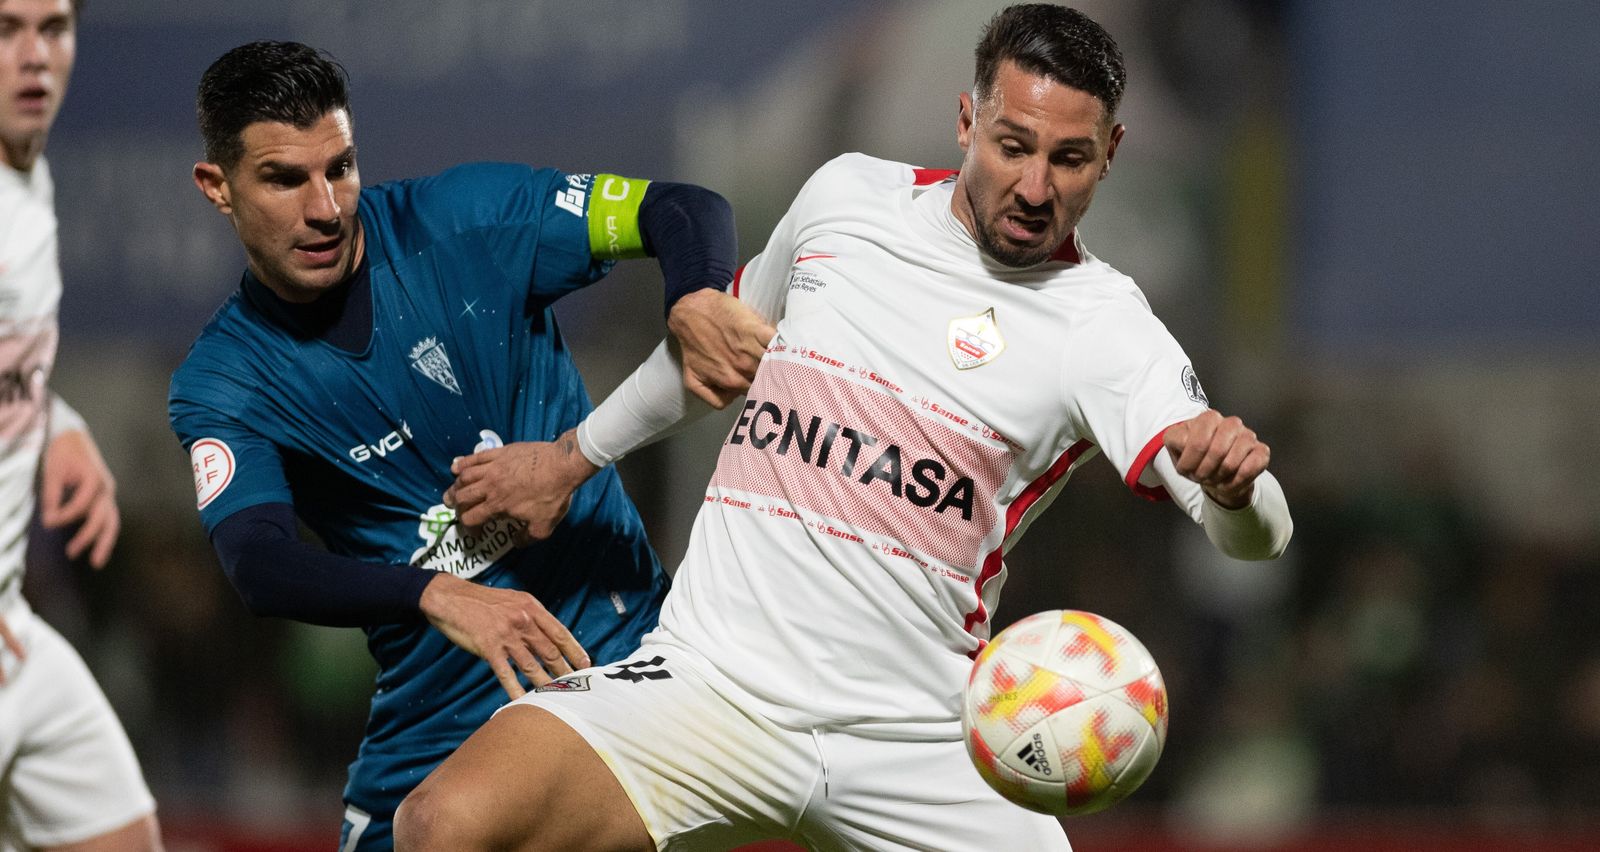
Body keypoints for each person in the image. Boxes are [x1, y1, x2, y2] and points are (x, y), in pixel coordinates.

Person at [397, 4, 1293, 851]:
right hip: (712, 685)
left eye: (1069, 159)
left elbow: (1256, 538)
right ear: (965, 120)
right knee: (445, 824)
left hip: (919, 736)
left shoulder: (1105, 324)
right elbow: (717, 352)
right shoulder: (847, 203)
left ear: (1111, 154)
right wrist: (568, 460)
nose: (1033, 186)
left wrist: (1238, 490)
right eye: (1013, 145)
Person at [166, 41, 770, 851]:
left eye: (340, 168)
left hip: (618, 667)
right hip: (433, 724)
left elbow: (683, 206)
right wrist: (435, 595)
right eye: (285, 179)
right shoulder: (226, 379)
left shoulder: (468, 220)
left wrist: (694, 294)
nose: (326, 207)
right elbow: (258, 562)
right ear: (219, 188)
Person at [0, 1, 164, 849]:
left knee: (122, 834)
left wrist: (58, 421)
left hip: (16, 634)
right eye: (5, 29)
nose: (35, 55)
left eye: (53, 27)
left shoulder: (28, 175)